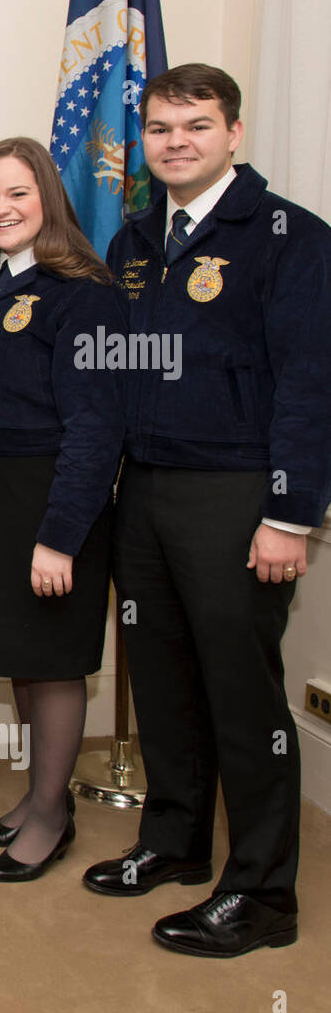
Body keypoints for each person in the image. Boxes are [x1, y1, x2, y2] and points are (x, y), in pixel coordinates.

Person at [82, 64, 331, 956]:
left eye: (195, 125)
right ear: (142, 141)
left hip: (238, 498)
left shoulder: (289, 238)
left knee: (242, 698)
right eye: (159, 128)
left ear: (233, 134)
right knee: (163, 686)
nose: (176, 141)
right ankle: (174, 842)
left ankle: (263, 895)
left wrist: (291, 514)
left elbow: (310, 385)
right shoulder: (136, 241)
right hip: (145, 492)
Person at [0, 136, 125, 881]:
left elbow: (96, 425)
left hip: (53, 497)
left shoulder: (85, 292)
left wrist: (60, 538)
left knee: (52, 661)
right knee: (22, 652)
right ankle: (39, 792)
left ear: (48, 198)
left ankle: (52, 813)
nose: (1, 208)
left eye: (17, 192)